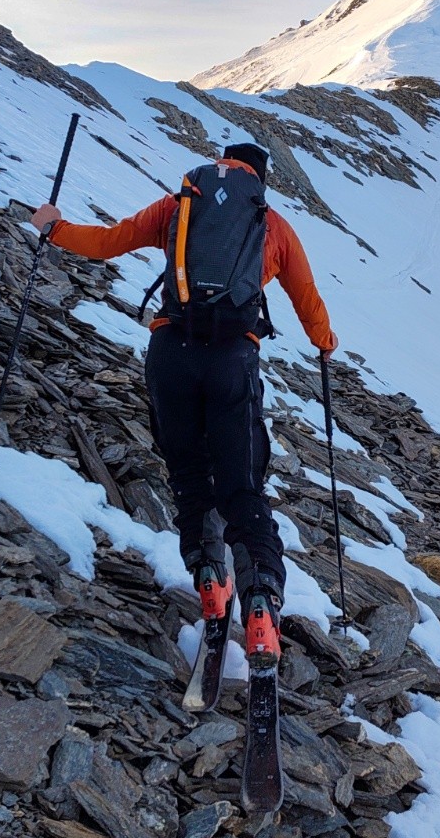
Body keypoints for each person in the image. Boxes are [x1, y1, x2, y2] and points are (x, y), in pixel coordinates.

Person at [33, 141, 337, 665]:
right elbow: (305, 295)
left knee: (190, 478)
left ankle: (210, 584)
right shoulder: (271, 224)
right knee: (242, 488)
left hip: (171, 352)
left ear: (219, 166)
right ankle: (261, 607)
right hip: (231, 362)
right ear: (258, 178)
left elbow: (108, 243)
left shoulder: (179, 205)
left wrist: (53, 227)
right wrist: (324, 342)